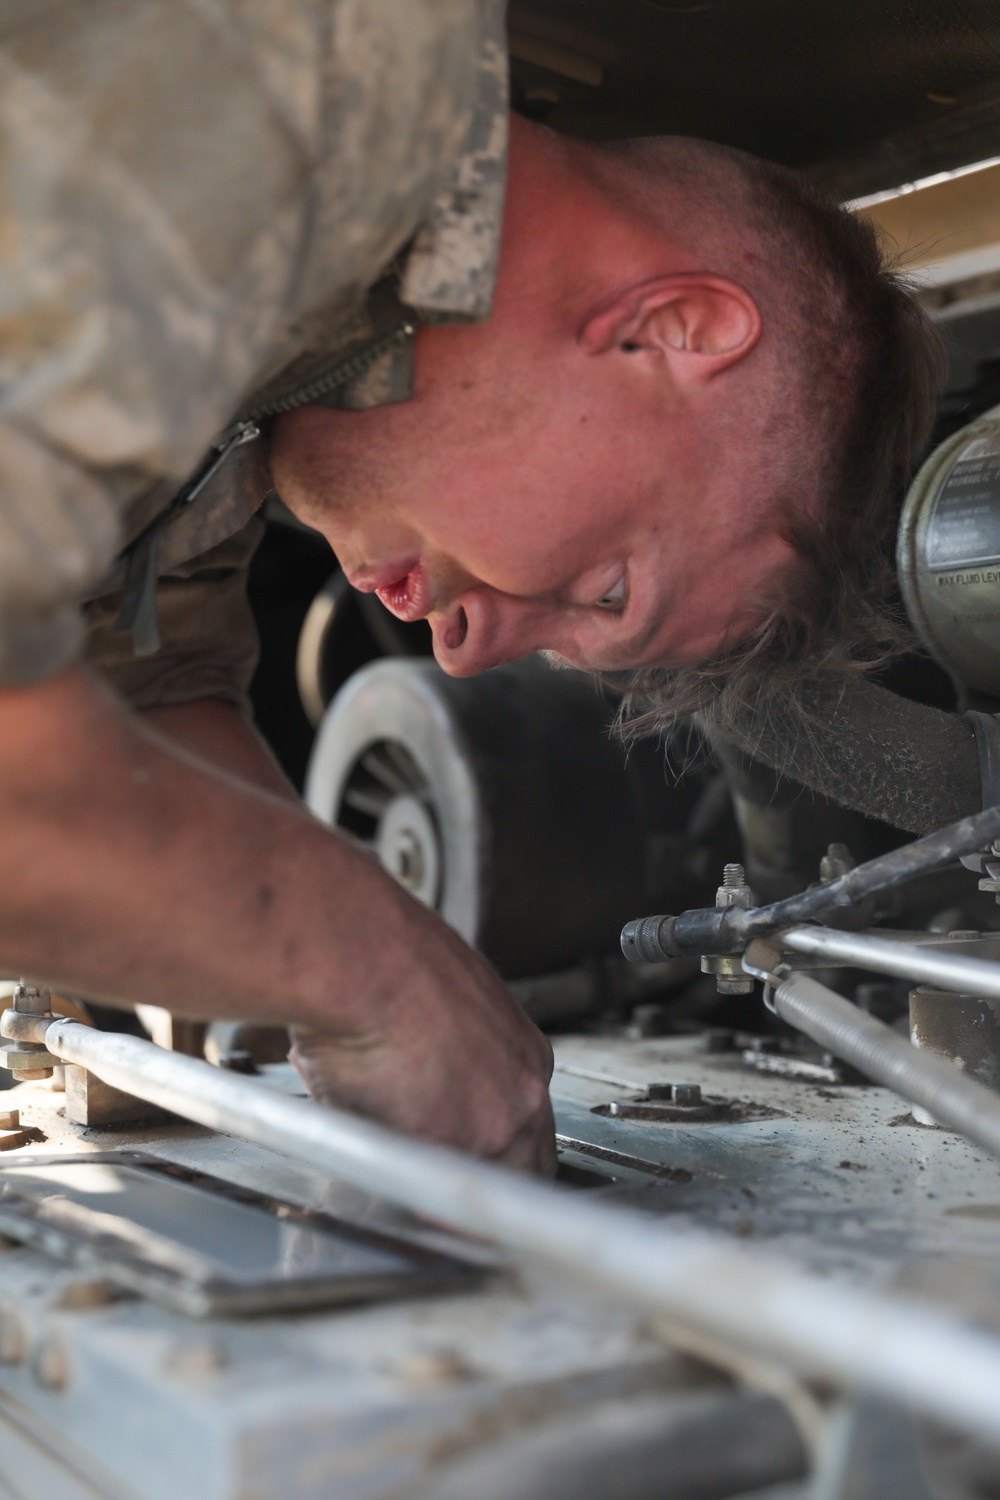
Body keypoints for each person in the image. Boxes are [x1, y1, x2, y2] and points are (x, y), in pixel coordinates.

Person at [0, 1, 940, 1174]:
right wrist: (371, 974)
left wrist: (315, 964)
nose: (458, 654)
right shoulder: (307, 60)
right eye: (605, 590)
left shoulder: (255, 387)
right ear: (668, 332)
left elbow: (146, 691)